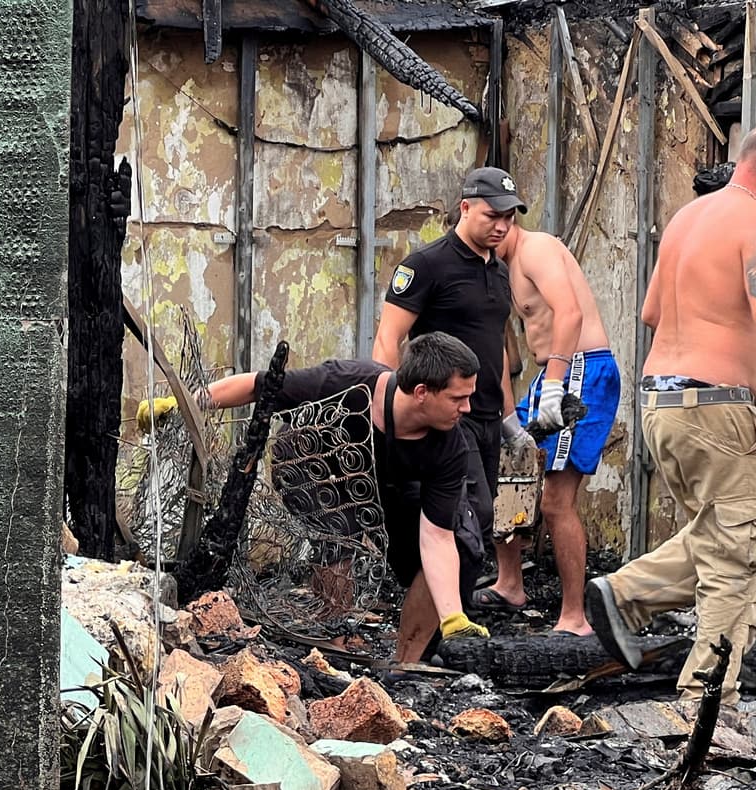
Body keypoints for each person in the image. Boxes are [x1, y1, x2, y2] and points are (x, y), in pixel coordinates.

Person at [585, 123, 756, 702]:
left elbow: (653, 311)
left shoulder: (688, 217)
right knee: (738, 559)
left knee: (719, 541)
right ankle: (706, 704)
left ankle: (625, 593)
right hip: (717, 411)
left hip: (662, 404)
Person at [143, 333, 491, 660]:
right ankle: (332, 644)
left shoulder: (449, 445)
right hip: (310, 464)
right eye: (457, 398)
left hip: (384, 481)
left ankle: (405, 664)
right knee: (341, 534)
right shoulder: (346, 383)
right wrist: (182, 404)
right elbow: (256, 386)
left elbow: (437, 537)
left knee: (463, 540)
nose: (467, 408)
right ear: (420, 392)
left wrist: (454, 618)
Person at [371, 167, 523, 611]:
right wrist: (393, 412)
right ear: (465, 208)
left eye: (509, 219)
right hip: (445, 418)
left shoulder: (498, 273)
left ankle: (450, 618)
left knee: (482, 517)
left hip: (488, 418)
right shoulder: (425, 266)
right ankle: (441, 622)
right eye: (493, 216)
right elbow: (388, 339)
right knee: (466, 520)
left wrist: (511, 420)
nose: (501, 227)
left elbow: (495, 351)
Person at [482, 221, 619, 634]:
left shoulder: (536, 248)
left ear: (504, 221)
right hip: (555, 374)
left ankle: (575, 617)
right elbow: (505, 352)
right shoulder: (499, 268)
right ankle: (510, 585)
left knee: (557, 501)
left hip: (579, 370)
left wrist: (556, 385)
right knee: (504, 472)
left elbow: (570, 312)